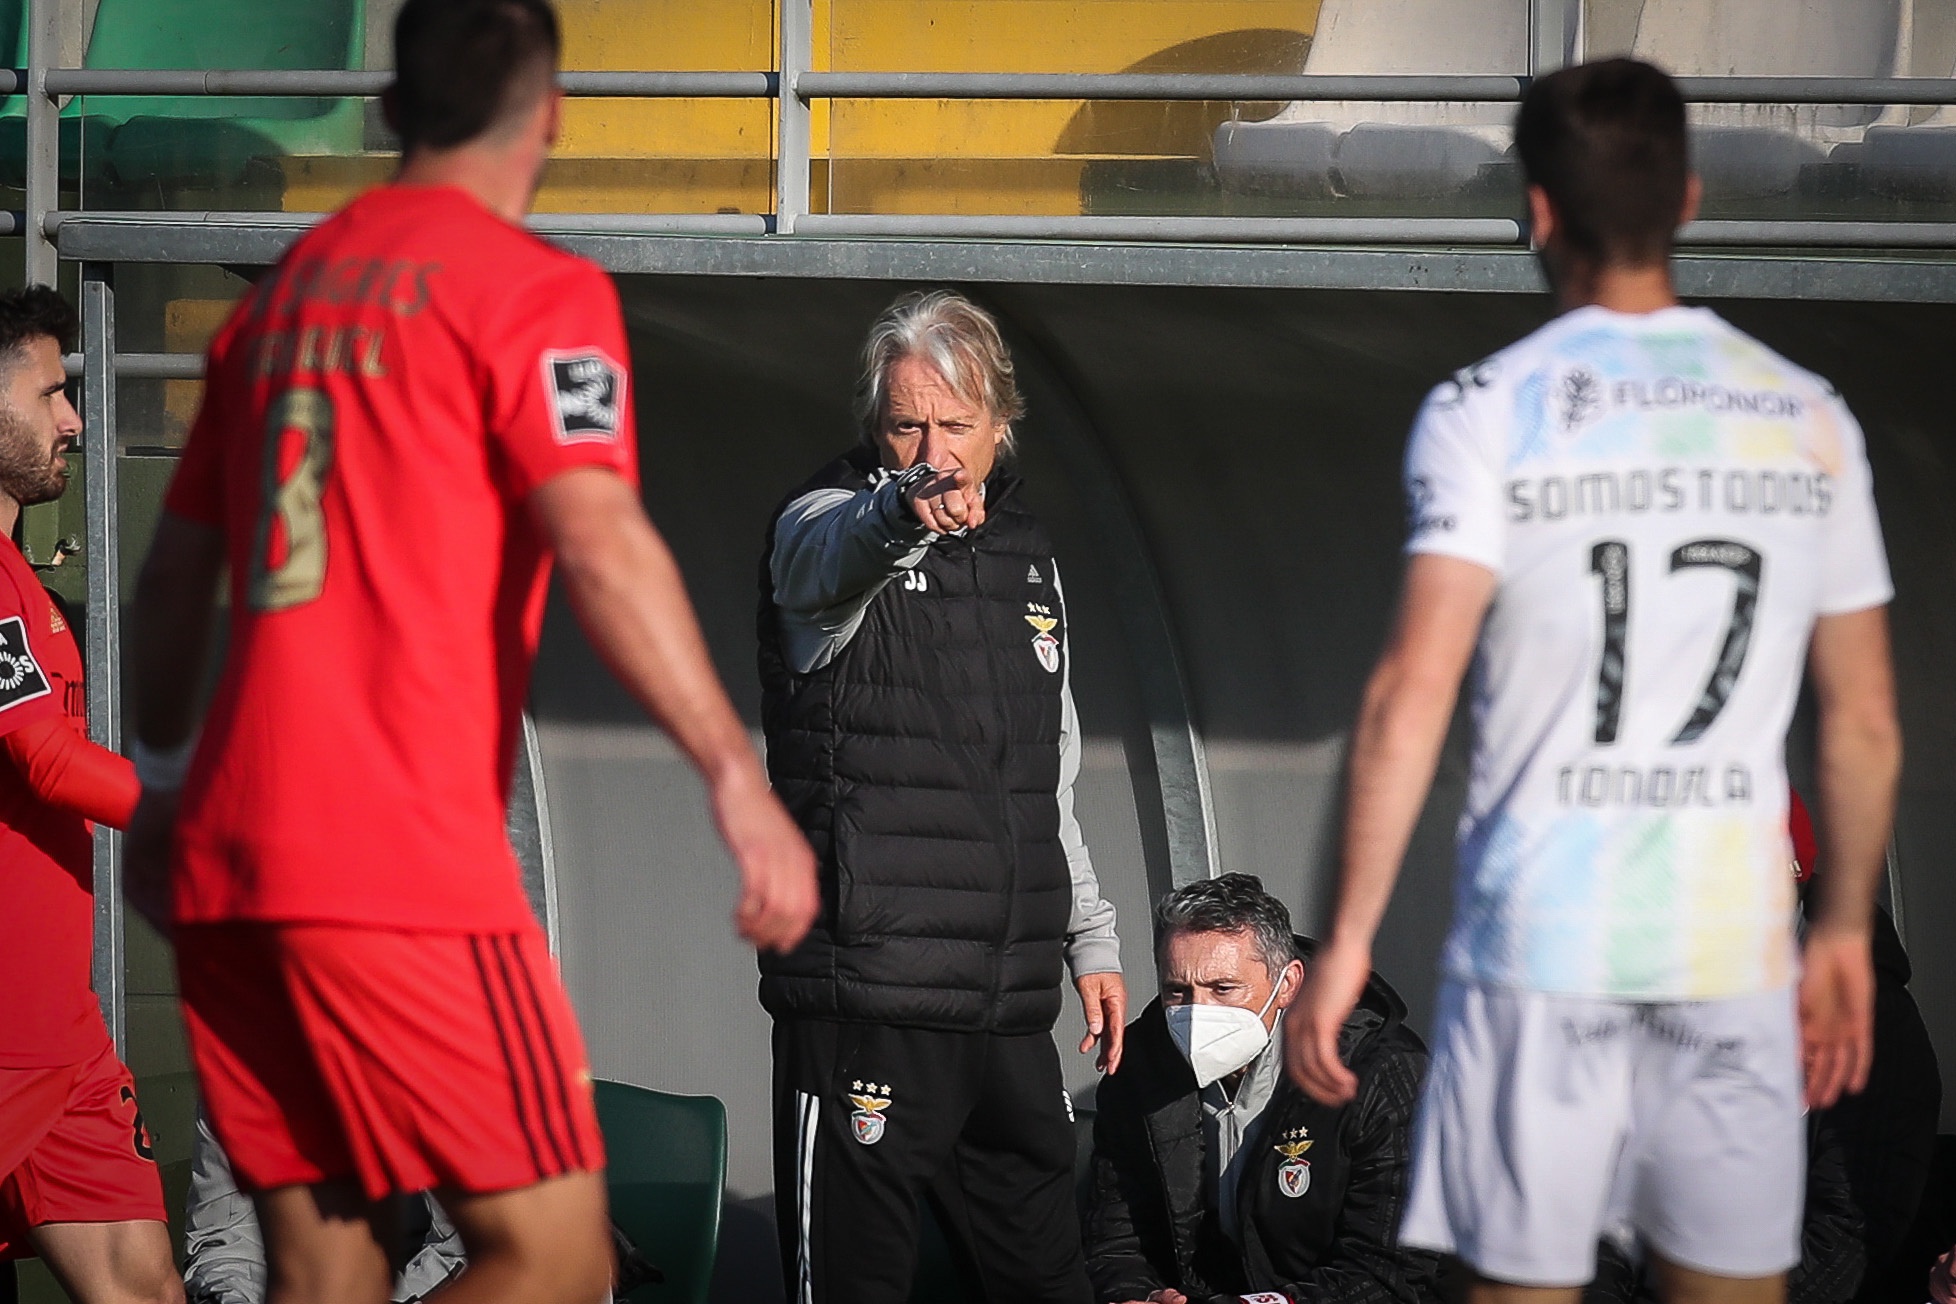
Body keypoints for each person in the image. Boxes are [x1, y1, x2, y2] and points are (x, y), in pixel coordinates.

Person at [124, 3, 819, 1304]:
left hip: (234, 863)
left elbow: (171, 583)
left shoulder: (274, 311)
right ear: (550, 116)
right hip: (401, 869)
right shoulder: (537, 294)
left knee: (325, 1277)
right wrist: (736, 776)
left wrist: (161, 785)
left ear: (390, 113)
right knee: (558, 1266)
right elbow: (602, 541)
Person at [1286, 56, 1903, 1304]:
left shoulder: (1486, 410)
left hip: (1539, 946)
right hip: (1729, 946)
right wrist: (1838, 926)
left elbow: (1412, 690)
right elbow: (1865, 719)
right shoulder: (1805, 416)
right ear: (1688, 196)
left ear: (1539, 208)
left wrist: (1343, 939)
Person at [757, 288, 1125, 1304]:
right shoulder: (826, 526)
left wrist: (1087, 936)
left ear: (1001, 425)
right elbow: (839, 544)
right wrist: (895, 508)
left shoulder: (1032, 559)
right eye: (905, 423)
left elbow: (1047, 774)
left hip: (1006, 1008)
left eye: (955, 424)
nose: (932, 447)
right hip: (868, 996)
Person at [0, 287, 180, 1304]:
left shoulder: (21, 577)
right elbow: (47, 762)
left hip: (56, 1040)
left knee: (148, 1287)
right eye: (52, 391)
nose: (73, 418)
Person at [1084, 874, 1437, 1304]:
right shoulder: (1138, 1068)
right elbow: (1115, 1238)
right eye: (1177, 991)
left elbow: (1391, 1271)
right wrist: (1133, 1296)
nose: (1198, 1013)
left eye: (1223, 989)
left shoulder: (1381, 1074)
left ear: (1287, 984)